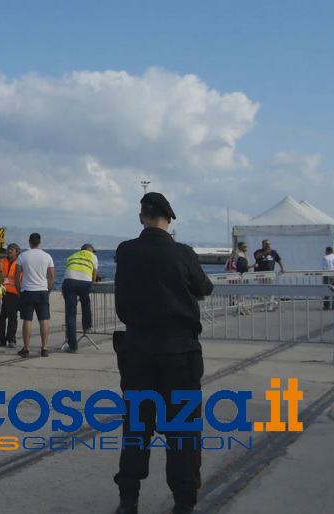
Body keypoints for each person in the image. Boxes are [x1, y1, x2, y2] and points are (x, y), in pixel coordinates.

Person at [112, 192, 214, 514]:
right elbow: (204, 288)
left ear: (141, 217)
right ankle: (184, 503)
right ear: (168, 220)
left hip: (138, 350)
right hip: (179, 353)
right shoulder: (182, 253)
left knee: (136, 429)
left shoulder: (125, 251)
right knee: (183, 431)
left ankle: (128, 501)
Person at [14, 233, 55, 357]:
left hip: (27, 291)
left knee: (27, 320)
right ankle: (44, 348)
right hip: (42, 291)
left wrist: (19, 290)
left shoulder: (22, 256)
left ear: (29, 242)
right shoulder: (47, 257)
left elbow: (16, 276)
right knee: (44, 320)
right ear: (40, 242)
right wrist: (48, 290)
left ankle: (26, 349)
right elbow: (52, 276)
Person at [62, 243, 97, 353]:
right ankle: (87, 326)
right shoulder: (92, 256)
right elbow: (94, 276)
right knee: (85, 301)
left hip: (68, 283)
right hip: (83, 283)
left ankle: (73, 346)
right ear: (88, 249)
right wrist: (91, 285)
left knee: (70, 315)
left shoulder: (72, 256)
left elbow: (68, 271)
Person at [0, 243, 21, 349]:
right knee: (0, 318)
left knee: (12, 318)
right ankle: (1, 340)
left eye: (12, 249)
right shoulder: (2, 261)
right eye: (9, 249)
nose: (9, 251)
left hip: (14, 294)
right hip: (2, 293)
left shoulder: (20, 263)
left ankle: (11, 339)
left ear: (17, 252)